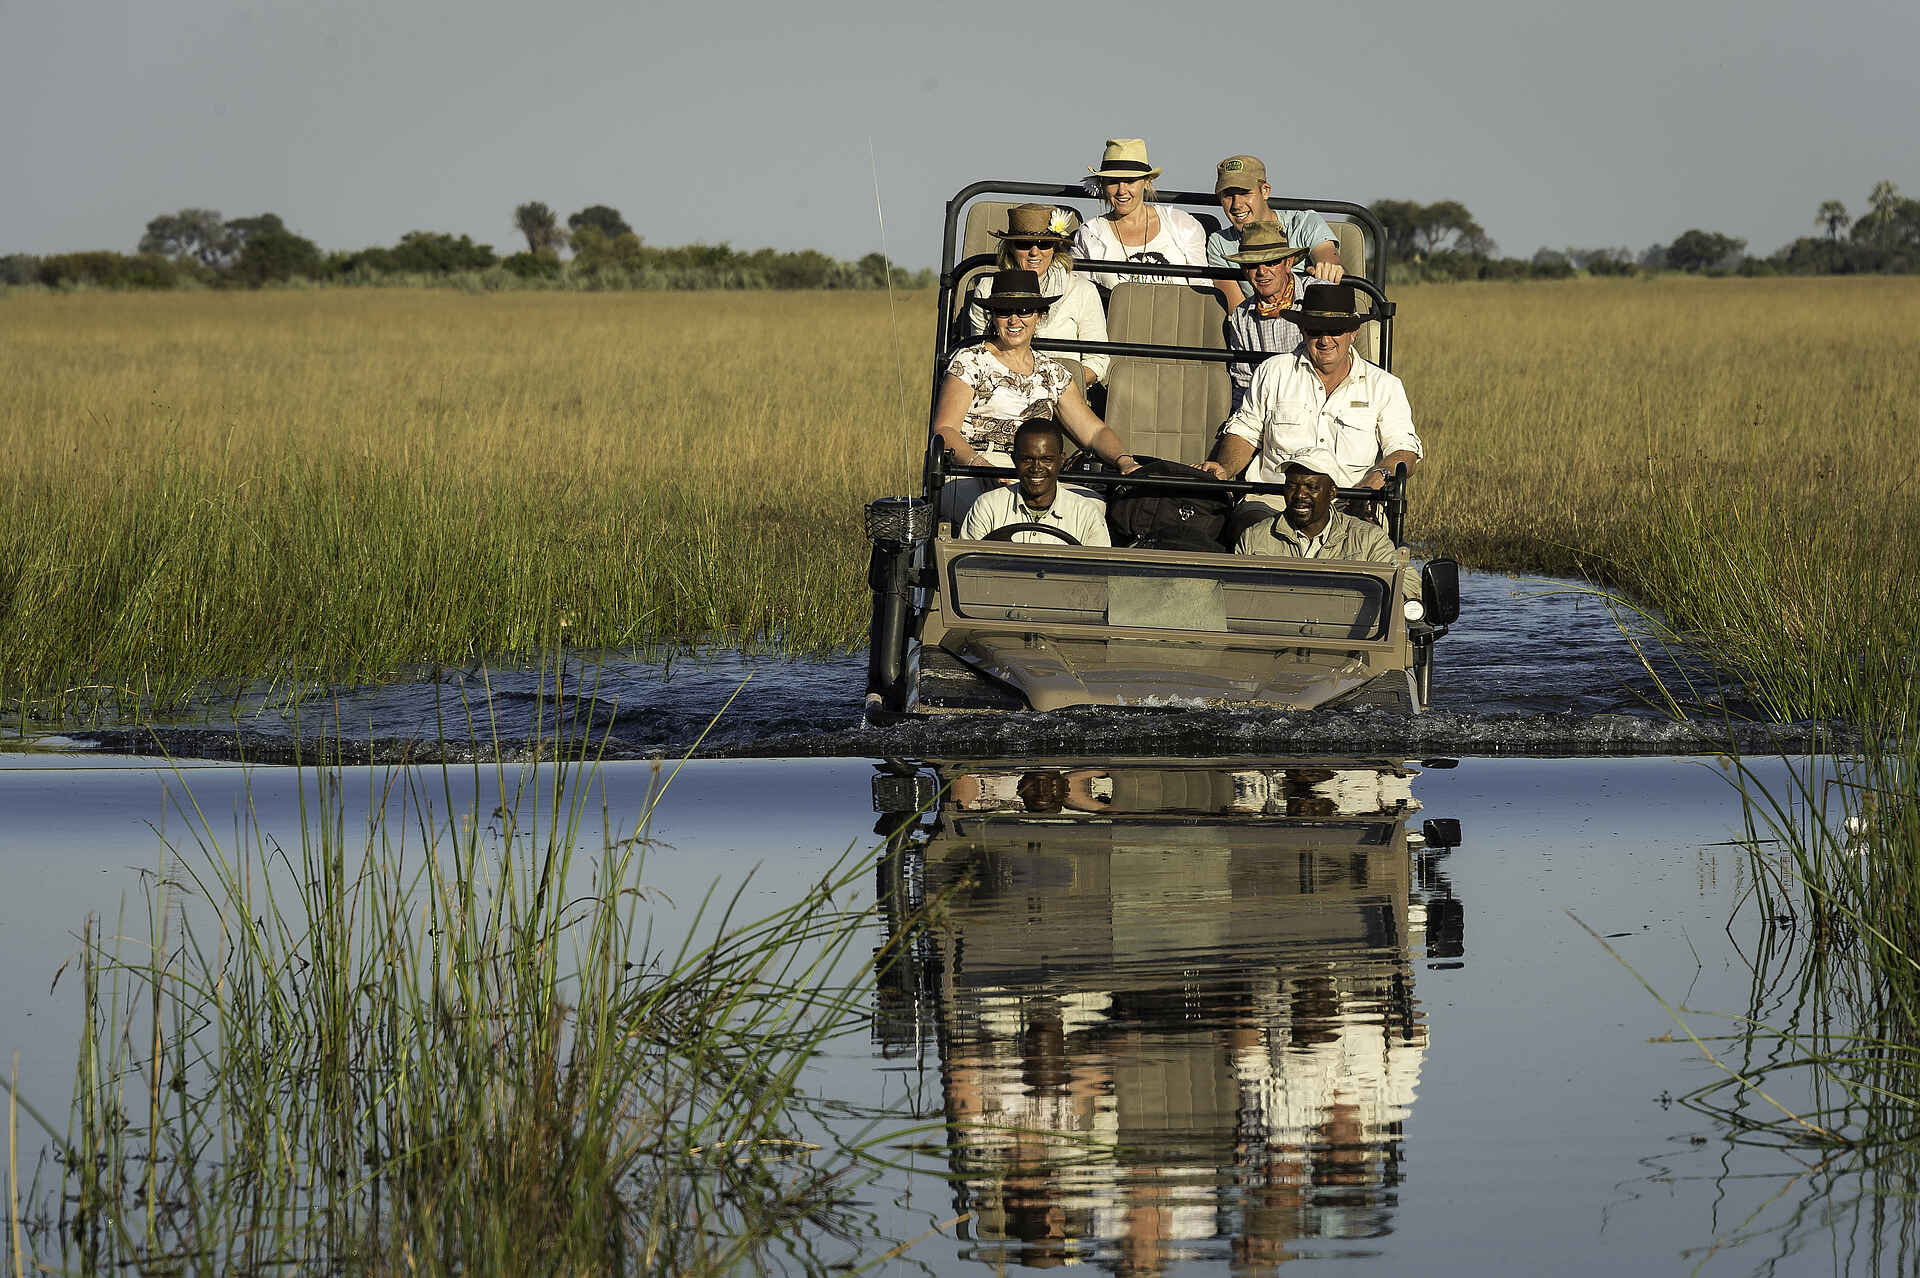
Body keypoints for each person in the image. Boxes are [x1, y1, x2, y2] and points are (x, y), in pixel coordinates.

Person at [933, 268, 1140, 525]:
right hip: (975, 465)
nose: (1014, 320)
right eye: (1004, 311)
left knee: (1091, 508)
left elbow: (1094, 431)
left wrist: (1124, 460)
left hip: (1037, 466)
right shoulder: (970, 361)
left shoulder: (1052, 372)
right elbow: (945, 429)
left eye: (1024, 311)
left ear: (1040, 316)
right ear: (992, 317)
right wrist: (981, 465)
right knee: (1000, 511)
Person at [1202, 283, 1421, 494]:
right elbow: (1245, 432)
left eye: (1335, 330)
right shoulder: (1272, 371)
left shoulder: (1384, 386)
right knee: (1253, 530)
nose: (1325, 340)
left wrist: (1377, 478)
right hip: (1275, 499)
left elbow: (1404, 449)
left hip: (1349, 501)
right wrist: (1225, 468)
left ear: (1353, 332)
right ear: (1303, 330)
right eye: (1316, 330)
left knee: (1366, 534)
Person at [966, 204, 1110, 389]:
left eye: (1044, 244)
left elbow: (1097, 362)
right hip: (1001, 390)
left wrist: (1054, 389)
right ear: (1010, 247)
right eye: (1024, 244)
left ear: (1055, 247)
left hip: (1063, 393)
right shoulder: (987, 289)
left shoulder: (1082, 290)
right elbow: (979, 352)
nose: (1035, 252)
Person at [1235, 451, 1415, 596]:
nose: (1299, 495)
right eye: (1291, 486)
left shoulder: (1368, 538)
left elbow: (1408, 584)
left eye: (1311, 487)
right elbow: (1235, 594)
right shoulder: (1255, 537)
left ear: (1331, 493)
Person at [1208, 155, 1345, 311]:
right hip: (1258, 325)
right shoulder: (1219, 243)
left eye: (1245, 193)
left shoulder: (1304, 222)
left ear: (1265, 191)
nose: (1237, 204)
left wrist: (1328, 268)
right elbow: (1239, 311)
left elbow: (1328, 261)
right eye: (1228, 195)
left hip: (1310, 321)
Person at [1072, 139, 1208, 292]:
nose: (1121, 190)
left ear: (1147, 182)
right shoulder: (1091, 233)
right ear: (1102, 185)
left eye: (1130, 181)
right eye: (1113, 182)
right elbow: (1081, 294)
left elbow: (1202, 289)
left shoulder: (1182, 224)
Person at [961, 419, 1112, 546]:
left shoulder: (1087, 514)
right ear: (1014, 459)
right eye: (1027, 459)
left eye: (1046, 459)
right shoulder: (987, 507)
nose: (1036, 468)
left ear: (1062, 461)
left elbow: (1098, 575)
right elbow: (966, 572)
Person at [1221, 221, 1313, 412]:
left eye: (1271, 261)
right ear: (1244, 270)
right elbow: (1243, 382)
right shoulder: (1241, 315)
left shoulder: (1317, 293)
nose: (1262, 271)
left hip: (1315, 403)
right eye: (1253, 264)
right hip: (1265, 409)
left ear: (1288, 263)